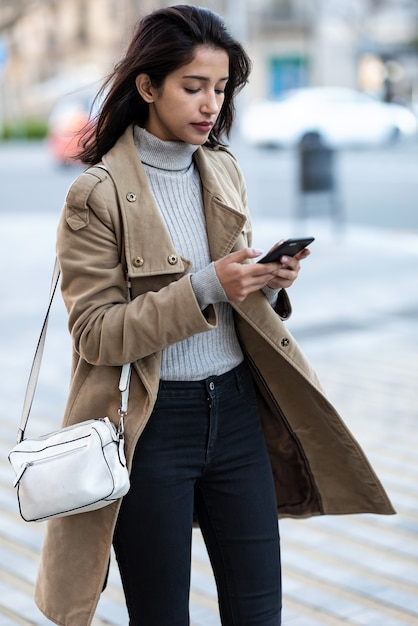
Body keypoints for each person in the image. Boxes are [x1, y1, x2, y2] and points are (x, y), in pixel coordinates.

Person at [34, 5, 394, 626]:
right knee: (162, 613)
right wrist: (206, 285)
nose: (210, 104)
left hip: (235, 415)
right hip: (149, 428)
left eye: (220, 89)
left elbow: (231, 291)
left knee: (259, 611)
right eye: (192, 87)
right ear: (147, 86)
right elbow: (95, 333)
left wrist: (267, 283)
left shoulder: (221, 165)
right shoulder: (94, 194)